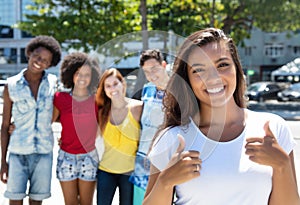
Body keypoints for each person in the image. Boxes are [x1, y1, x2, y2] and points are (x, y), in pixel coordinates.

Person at [143, 28, 300, 205]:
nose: (213, 78)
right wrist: (165, 182)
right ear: (188, 81)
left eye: (222, 65)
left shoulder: (272, 129)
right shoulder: (172, 139)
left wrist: (282, 166)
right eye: (199, 70)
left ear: (237, 69)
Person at [0, 35, 61, 205]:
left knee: (37, 201)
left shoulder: (53, 83)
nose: (39, 62)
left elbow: (57, 113)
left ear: (50, 64)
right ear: (29, 53)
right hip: (17, 153)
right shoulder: (11, 85)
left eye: (45, 61)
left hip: (43, 153)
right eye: (37, 56)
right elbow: (5, 125)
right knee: (15, 200)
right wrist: (3, 162)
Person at [52, 52, 101, 205]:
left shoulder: (97, 100)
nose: (82, 78)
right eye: (78, 73)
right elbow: (47, 122)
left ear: (92, 77)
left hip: (90, 157)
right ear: (70, 74)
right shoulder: (60, 98)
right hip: (66, 158)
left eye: (87, 74)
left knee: (87, 203)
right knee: (70, 203)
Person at [95, 68, 143, 205]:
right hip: (105, 171)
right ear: (104, 90)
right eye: (108, 86)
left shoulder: (137, 108)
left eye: (115, 84)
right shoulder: (101, 112)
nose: (112, 88)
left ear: (123, 84)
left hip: (129, 173)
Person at [129, 49, 169, 205]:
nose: (151, 75)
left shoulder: (178, 92)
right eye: (146, 71)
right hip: (142, 158)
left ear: (164, 65)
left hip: (164, 159)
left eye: (154, 69)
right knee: (140, 201)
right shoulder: (147, 89)